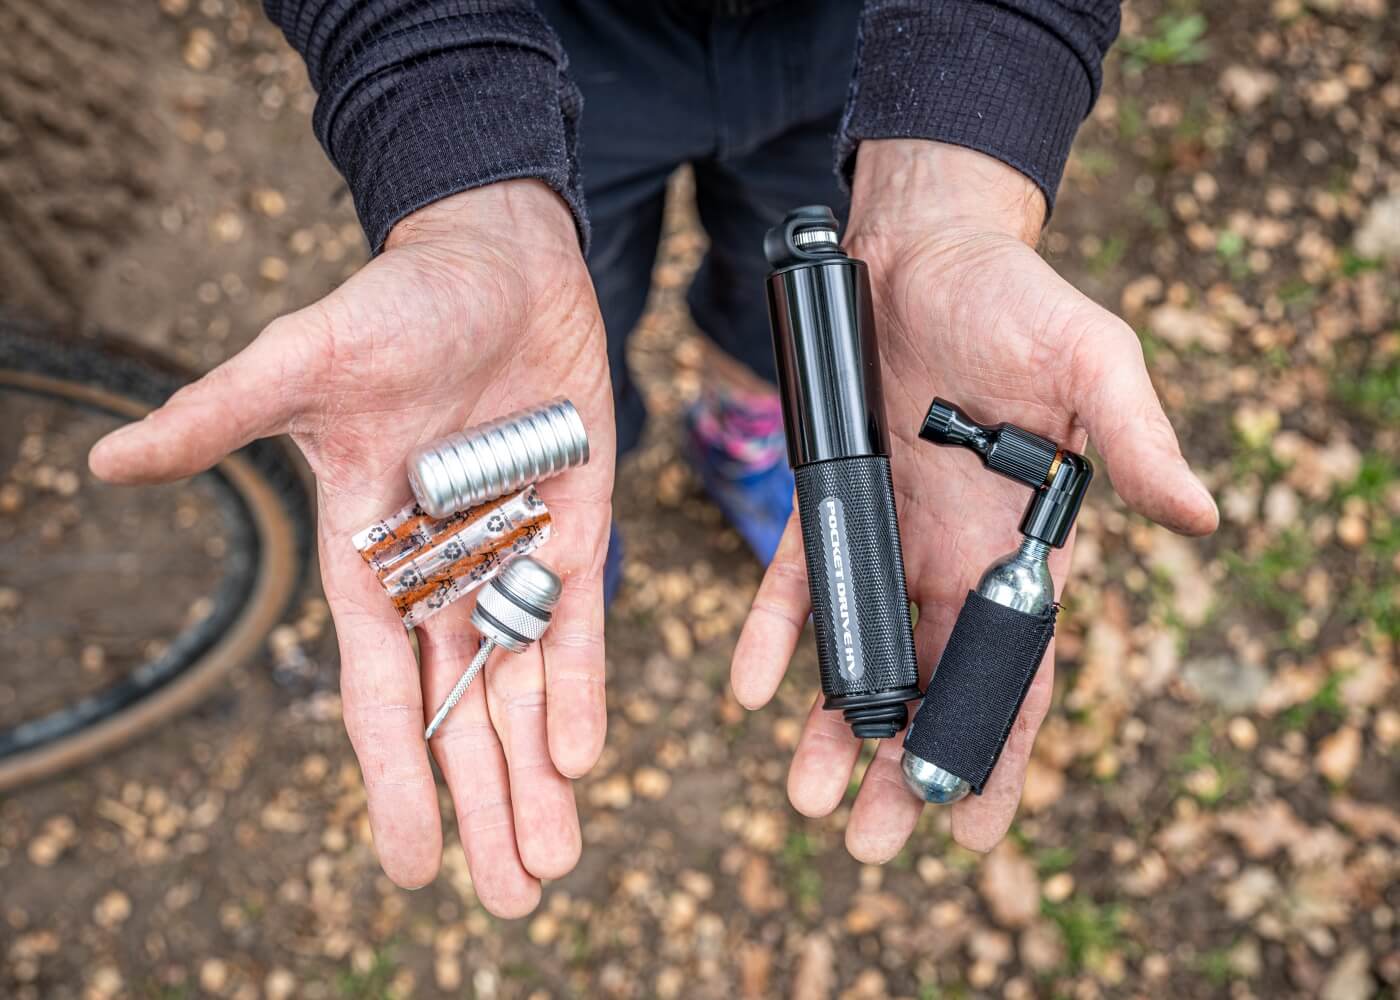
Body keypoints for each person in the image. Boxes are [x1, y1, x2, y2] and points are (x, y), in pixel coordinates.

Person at [89, 0, 1219, 917]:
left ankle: (740, 420)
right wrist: (455, 155)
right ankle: (599, 493)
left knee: (765, 300)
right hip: (536, 48)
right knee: (582, 302)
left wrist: (961, 153)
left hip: (868, 41)